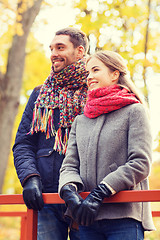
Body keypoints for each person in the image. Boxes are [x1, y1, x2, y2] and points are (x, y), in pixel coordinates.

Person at [58, 50, 155, 240]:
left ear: (114, 74)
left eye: (95, 70)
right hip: (86, 218)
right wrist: (69, 190)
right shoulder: (81, 120)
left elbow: (140, 162)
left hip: (124, 217)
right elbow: (69, 165)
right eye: (88, 72)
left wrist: (102, 191)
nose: (89, 77)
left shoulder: (134, 111)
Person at [13, 27, 89, 240]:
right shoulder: (39, 94)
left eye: (60, 47)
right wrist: (30, 178)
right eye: (51, 48)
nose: (53, 53)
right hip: (46, 198)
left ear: (80, 51)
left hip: (84, 196)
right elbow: (23, 143)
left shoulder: (96, 90)